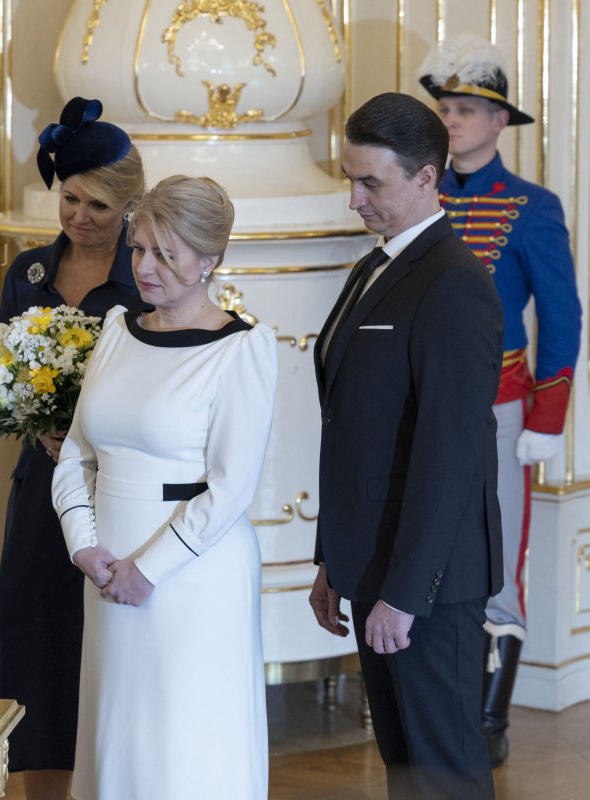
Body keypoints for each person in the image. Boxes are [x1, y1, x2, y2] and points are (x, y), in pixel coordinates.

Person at [52, 175, 276, 799]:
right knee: (115, 736)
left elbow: (231, 488)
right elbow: (76, 453)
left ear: (209, 261)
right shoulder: (118, 331)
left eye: (165, 254)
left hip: (192, 573)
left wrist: (148, 568)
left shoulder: (242, 349)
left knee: (184, 743)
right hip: (105, 562)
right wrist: (83, 545)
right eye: (138, 249)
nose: (144, 267)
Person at [309, 92, 503, 798]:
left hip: (428, 583)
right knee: (406, 768)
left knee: (443, 772)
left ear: (427, 177)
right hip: (374, 566)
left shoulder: (454, 283)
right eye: (349, 178)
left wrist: (405, 592)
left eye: (372, 183)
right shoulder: (375, 268)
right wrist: (336, 559)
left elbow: (450, 455)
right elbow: (350, 432)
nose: (355, 200)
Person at [0, 97, 146, 800]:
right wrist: (28, 414)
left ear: (128, 206)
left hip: (119, 489)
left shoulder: (148, 276)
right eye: (70, 198)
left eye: (98, 205)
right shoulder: (29, 272)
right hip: (41, 487)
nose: (79, 216)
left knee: (101, 637)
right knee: (37, 633)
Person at [418, 35, 582, 767]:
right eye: (445, 107)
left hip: (499, 404)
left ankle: (488, 715)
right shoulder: (418, 195)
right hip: (422, 403)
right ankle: (432, 695)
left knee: (497, 554)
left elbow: (563, 315)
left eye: (465, 109)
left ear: (497, 121)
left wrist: (546, 419)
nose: (451, 120)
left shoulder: (531, 207)